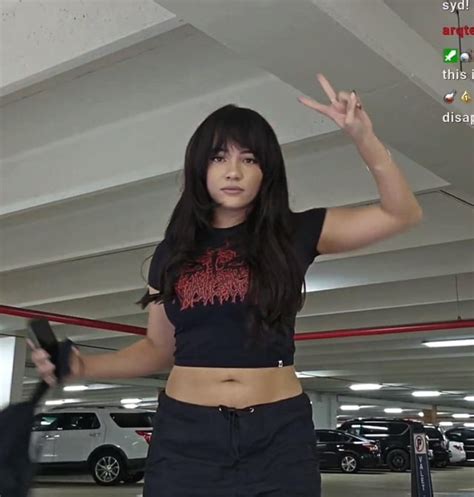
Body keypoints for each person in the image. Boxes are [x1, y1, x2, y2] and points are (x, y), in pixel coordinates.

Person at [29, 74, 423, 496]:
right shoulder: (172, 252)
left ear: (266, 172)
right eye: (219, 158)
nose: (233, 171)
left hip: (278, 436)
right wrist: (84, 367)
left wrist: (365, 139)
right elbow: (158, 348)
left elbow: (401, 214)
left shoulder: (294, 233)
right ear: (200, 167)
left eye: (249, 159)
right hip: (186, 438)